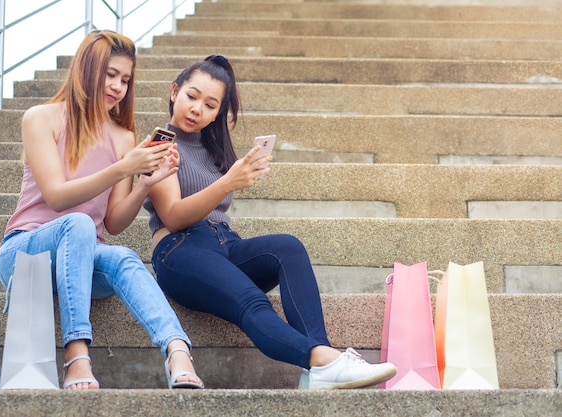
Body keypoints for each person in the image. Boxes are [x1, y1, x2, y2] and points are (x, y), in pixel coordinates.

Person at [143, 55, 397, 390]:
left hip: (223, 242)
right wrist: (228, 183)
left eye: (209, 104)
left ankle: (317, 370)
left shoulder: (214, 151)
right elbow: (173, 216)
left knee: (286, 248)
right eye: (191, 96)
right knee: (252, 301)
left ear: (218, 112)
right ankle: (323, 359)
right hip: (180, 251)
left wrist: (232, 176)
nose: (196, 109)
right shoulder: (160, 145)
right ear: (175, 92)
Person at [0, 30, 203, 390]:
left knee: (122, 254)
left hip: (83, 260)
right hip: (26, 253)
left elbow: (112, 222)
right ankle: (76, 355)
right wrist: (123, 168)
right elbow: (58, 197)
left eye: (125, 79)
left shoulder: (122, 138)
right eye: (110, 75)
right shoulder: (41, 118)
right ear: (86, 69)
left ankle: (178, 351)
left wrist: (145, 184)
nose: (118, 87)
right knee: (75, 222)